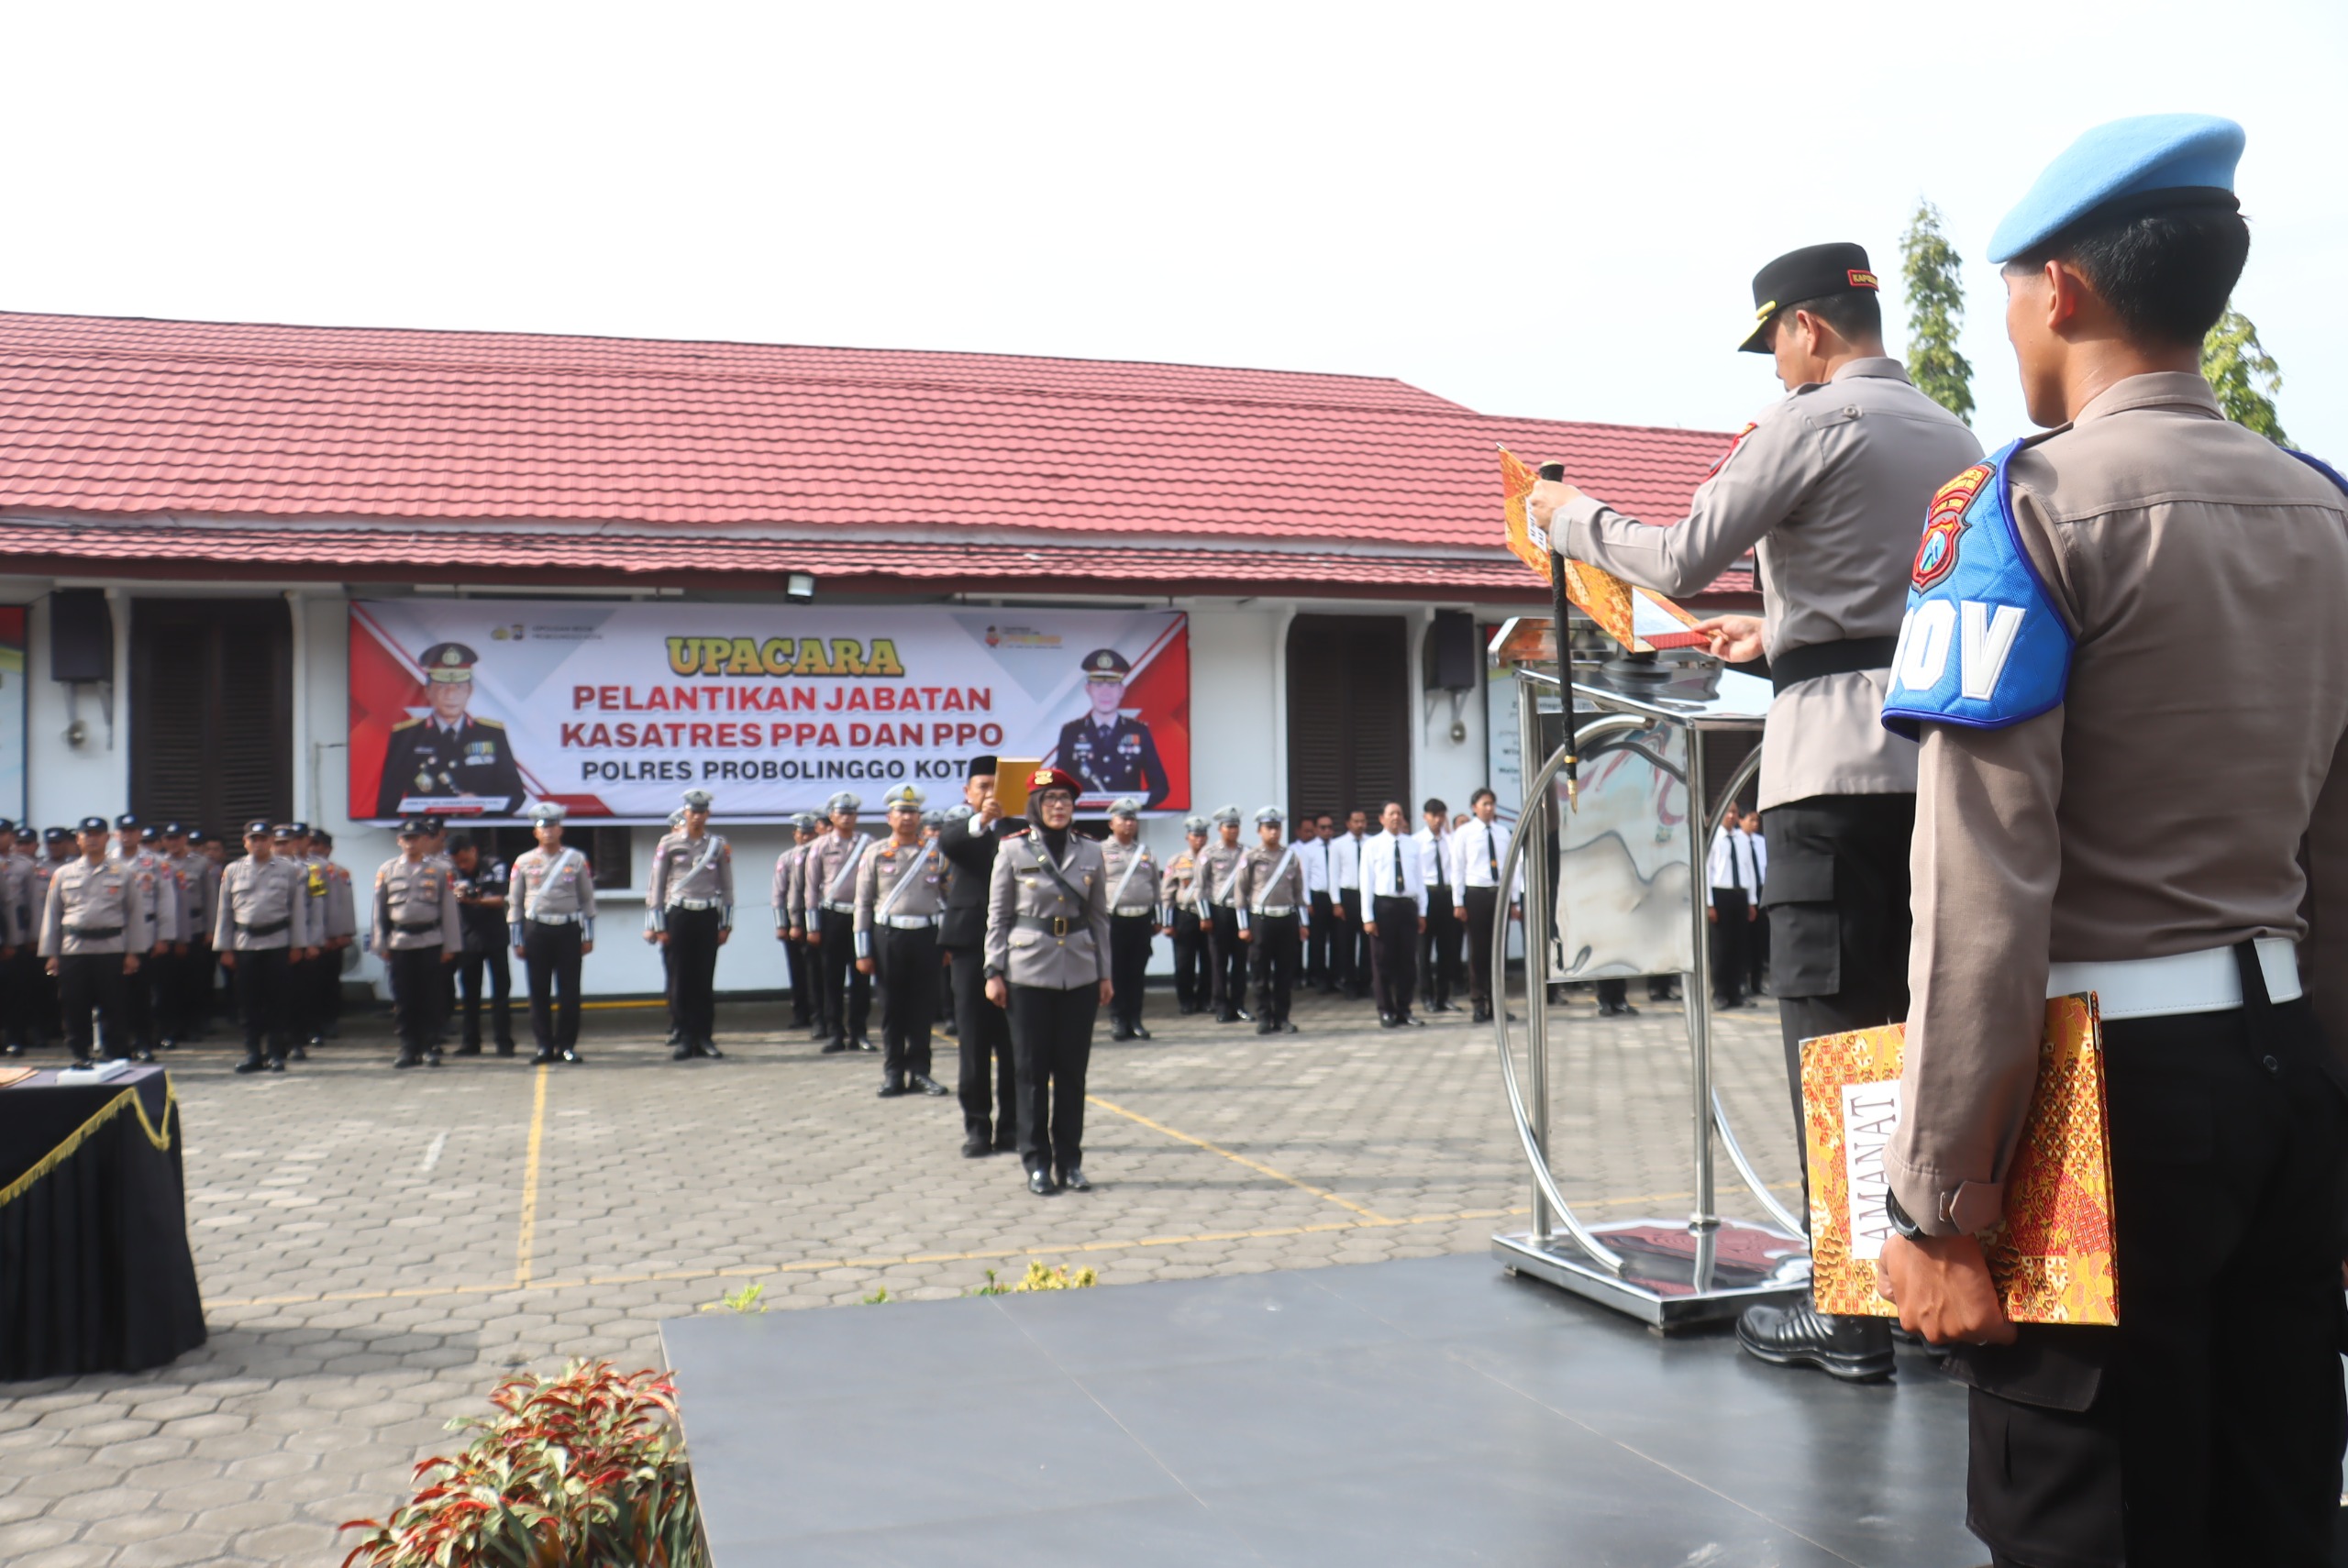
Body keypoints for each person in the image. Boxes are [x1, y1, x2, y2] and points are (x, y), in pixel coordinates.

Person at [1867, 114, 2348, 1563]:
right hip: (2286, 1083)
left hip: (2098, 1101)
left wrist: (1940, 1195)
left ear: (2060, 290)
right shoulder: (2325, 512)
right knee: (2274, 1503)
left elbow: (1981, 887)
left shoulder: (2016, 512)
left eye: (2014, 281)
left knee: (2089, 1509)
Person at [1533, 237, 1985, 1382]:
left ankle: (1849, 1313)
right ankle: (1932, 1278)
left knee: (1832, 1036)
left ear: (1808, 327)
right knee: (1928, 1033)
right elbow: (1887, 607)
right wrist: (1776, 636)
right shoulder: (1953, 435)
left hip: (1830, 773)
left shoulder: (1810, 419)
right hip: (1939, 768)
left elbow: (1680, 555)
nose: (1774, 366)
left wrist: (1567, 514)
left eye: (1774, 341)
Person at [984, 765, 1113, 1196]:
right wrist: (993, 970)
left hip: (1078, 970)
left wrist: (1105, 974)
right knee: (1031, 1072)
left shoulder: (1092, 851)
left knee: (1073, 1073)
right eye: (1050, 800)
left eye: (1066, 800)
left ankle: (1070, 1162)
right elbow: (998, 916)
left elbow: (1099, 919)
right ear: (1035, 806)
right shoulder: (1013, 850)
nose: (1059, 807)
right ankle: (1037, 1163)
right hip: (1026, 973)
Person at [939, 757, 1020, 1155]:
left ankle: (1011, 1127)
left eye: (996, 786)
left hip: (1017, 944)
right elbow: (951, 845)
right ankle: (976, 1127)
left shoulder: (1022, 830)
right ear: (968, 792)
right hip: (971, 945)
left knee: (1013, 1043)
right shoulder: (962, 828)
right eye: (982, 786)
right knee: (973, 1041)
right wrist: (982, 821)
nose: (989, 793)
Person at [854, 782, 951, 1099]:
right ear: (889, 817)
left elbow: (949, 898)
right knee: (893, 1008)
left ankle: (921, 1072)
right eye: (901, 812)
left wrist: (948, 942)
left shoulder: (935, 853)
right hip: (888, 936)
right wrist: (862, 949)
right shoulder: (875, 853)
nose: (907, 818)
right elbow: (863, 903)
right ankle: (893, 1072)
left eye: (912, 812)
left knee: (923, 1007)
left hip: (927, 935)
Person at [39, 817, 155, 1066]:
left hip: (110, 947)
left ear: (107, 838)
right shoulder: (63, 874)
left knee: (113, 1004)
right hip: (73, 948)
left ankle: (116, 1053)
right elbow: (52, 914)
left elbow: (135, 914)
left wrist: (133, 952)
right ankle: (80, 1052)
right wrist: (51, 953)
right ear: (78, 839)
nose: (92, 838)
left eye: (97, 834)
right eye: (86, 834)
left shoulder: (123, 873)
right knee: (74, 1004)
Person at [373, 641, 527, 818]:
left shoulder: (492, 734)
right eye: (442, 687)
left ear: (470, 691)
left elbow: (515, 795)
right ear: (428, 691)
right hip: (427, 833)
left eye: (459, 687)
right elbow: (388, 801)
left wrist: (481, 804)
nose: (451, 695)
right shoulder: (406, 736)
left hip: (482, 831)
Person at [215, 819, 315, 1074]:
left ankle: (276, 1053)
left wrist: (298, 944)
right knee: (248, 1003)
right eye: (253, 839)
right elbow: (224, 912)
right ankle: (252, 1053)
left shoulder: (288, 870)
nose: (258, 843)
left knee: (278, 1001)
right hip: (245, 943)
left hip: (278, 942)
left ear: (271, 841)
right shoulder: (233, 870)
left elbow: (297, 910)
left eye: (263, 839)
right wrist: (224, 948)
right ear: (245, 842)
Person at [648, 789, 733, 1061]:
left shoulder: (716, 845)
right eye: (692, 811)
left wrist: (726, 924)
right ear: (685, 813)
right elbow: (657, 886)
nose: (696, 816)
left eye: (701, 811)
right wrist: (658, 925)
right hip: (679, 915)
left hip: (707, 914)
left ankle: (704, 1037)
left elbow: (726, 885)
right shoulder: (669, 844)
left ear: (707, 814)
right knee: (681, 979)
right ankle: (684, 1037)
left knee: (704, 979)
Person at [372, 818, 462, 1069]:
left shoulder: (441, 870)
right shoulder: (387, 870)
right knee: (404, 999)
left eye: (417, 838)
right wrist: (381, 943)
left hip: (431, 941)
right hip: (400, 942)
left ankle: (432, 1046)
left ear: (425, 840)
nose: (411, 843)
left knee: (432, 997)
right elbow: (379, 910)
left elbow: (449, 910)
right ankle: (408, 1047)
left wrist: (450, 946)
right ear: (399, 841)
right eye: (406, 838)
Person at [508, 801, 593, 1065]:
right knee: (538, 991)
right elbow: (514, 902)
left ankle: (566, 1046)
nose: (548, 831)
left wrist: (588, 935)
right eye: (543, 827)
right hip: (537, 930)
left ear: (561, 829)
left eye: (553, 826)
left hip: (568, 929)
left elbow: (587, 899)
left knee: (569, 992)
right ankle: (544, 1046)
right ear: (535, 832)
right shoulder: (523, 861)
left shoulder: (576, 859)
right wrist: (517, 938)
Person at [1052, 648, 1170, 806]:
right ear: (1088, 689)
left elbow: (1160, 787)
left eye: (1112, 685)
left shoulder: (1138, 732)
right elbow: (1060, 783)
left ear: (1122, 690)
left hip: (1125, 820)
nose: (1105, 692)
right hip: (1082, 821)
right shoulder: (1071, 732)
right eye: (1098, 684)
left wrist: (1136, 805)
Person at [804, 790, 874, 1055]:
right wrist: (812, 925)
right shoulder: (820, 846)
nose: (846, 818)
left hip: (861, 915)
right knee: (831, 977)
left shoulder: (868, 844)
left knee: (861, 976)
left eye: (851, 813)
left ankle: (860, 1032)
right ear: (831, 816)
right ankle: (835, 1033)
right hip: (832, 916)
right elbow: (811, 888)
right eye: (841, 813)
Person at [108, 814, 177, 1062]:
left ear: (139, 834)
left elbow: (166, 900)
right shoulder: (105, 862)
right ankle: (118, 1046)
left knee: (142, 994)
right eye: (122, 830)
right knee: (113, 995)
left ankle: (143, 1043)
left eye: (132, 830)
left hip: (146, 934)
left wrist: (164, 936)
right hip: (112, 936)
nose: (127, 835)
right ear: (115, 835)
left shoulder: (156, 863)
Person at [1234, 805, 1308, 1034]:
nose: (1274, 832)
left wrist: (1304, 923)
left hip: (1286, 919)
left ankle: (1283, 1017)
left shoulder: (1290, 857)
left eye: (1277, 828)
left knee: (1285, 972)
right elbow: (1240, 892)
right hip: (1261, 920)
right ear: (1260, 831)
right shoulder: (1252, 857)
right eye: (1269, 828)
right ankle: (1264, 1017)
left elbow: (1298, 892)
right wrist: (1243, 926)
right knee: (1260, 971)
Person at [1451, 789, 1520, 1024]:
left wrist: (1513, 900)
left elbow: (1513, 867)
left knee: (1498, 953)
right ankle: (1479, 1003)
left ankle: (1498, 1005)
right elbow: (1457, 868)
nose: (1490, 808)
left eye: (1492, 804)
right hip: (1476, 895)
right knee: (1479, 953)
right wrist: (1458, 902)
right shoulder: (1464, 833)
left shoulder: (1503, 832)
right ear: (1474, 807)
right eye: (1485, 804)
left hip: (1498, 894)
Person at [1359, 801, 1427, 1028]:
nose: (1396, 817)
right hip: (1383, 906)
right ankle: (1386, 1010)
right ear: (1382, 818)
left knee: (1407, 962)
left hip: (1407, 906)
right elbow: (1366, 882)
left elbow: (1420, 879)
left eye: (1399, 813)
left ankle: (1404, 1009)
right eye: (1391, 814)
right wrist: (1367, 917)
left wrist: (1422, 911)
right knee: (1383, 961)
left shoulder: (1412, 845)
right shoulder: (1372, 845)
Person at [1098, 797, 1158, 1042]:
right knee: (1116, 972)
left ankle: (1136, 1019)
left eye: (1132, 819)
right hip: (1114, 920)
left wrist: (1158, 919)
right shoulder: (1100, 851)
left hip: (1141, 919)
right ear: (1112, 823)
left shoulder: (1145, 853)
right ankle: (1118, 1019)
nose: (1129, 823)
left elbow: (1156, 886)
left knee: (1137, 972)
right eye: (1124, 818)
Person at [450, 836, 515, 1055]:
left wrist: (475, 900)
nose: (462, 865)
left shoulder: (494, 865)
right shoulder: (450, 870)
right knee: (470, 996)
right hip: (467, 939)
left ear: (474, 850)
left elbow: (498, 899)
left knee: (501, 994)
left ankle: (504, 1042)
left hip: (495, 937)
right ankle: (470, 1043)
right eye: (458, 862)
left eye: (465, 860)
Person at [1196, 806, 1248, 1022]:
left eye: (1236, 826)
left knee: (1240, 961)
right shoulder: (1208, 853)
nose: (1233, 830)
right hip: (1218, 912)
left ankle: (1238, 1005)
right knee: (1218, 962)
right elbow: (1201, 887)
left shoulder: (1248, 852)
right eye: (1229, 826)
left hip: (1241, 913)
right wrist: (1204, 916)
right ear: (1220, 828)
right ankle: (1220, 1006)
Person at [1705, 813, 1762, 1010]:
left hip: (1740, 894)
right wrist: (1709, 903)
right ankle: (1720, 993)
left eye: (1735, 812)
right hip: (1720, 894)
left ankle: (1736, 992)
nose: (1730, 815)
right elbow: (1707, 871)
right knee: (1721, 947)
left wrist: (1752, 901)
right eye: (1727, 811)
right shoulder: (1713, 838)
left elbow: (1749, 871)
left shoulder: (1742, 840)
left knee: (1740, 947)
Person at [773, 812, 820, 1033]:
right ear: (795, 834)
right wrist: (782, 924)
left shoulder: (822, 855)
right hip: (796, 916)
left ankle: (819, 1014)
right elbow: (779, 894)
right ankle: (801, 1014)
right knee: (797, 969)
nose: (807, 837)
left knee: (818, 970)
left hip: (819, 918)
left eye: (811, 832)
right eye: (803, 833)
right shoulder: (787, 858)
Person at [1158, 816, 1211, 1015]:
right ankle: (1186, 1000)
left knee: (1209, 960)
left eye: (1203, 835)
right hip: (1185, 915)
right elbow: (1167, 893)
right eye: (1195, 835)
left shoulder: (1212, 858)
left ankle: (1205, 999)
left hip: (1208, 916)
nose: (1199, 839)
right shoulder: (1177, 860)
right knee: (1184, 961)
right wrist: (1167, 922)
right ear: (1187, 837)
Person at [1414, 799, 1460, 1013]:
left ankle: (1444, 996)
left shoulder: (1451, 840)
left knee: (1447, 951)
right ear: (1425, 817)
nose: (1438, 820)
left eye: (1441, 815)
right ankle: (1427, 997)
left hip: (1447, 896)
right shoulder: (1416, 842)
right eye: (1433, 815)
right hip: (1427, 895)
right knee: (1423, 952)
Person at [1328, 810, 1369, 999]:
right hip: (1348, 895)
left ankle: (1365, 983)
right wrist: (1336, 902)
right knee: (1346, 942)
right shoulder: (1337, 845)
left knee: (1368, 941)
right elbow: (1333, 875)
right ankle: (1349, 983)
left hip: (1366, 894)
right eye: (1356, 821)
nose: (1359, 825)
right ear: (1348, 823)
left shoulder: (1371, 842)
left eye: (1362, 821)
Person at [0, 820, 32, 1056]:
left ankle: (15, 1038)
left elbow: (10, 906)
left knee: (12, 992)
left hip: (9, 937)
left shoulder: (24, 865)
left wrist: (11, 940)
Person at [1298, 813, 1335, 990]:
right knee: (1317, 940)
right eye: (1323, 827)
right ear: (1317, 829)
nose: (1327, 831)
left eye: (1329, 827)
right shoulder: (1308, 849)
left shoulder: (1337, 846)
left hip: (1334, 897)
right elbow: (1304, 877)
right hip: (1317, 897)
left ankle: (1335, 977)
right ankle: (1317, 976)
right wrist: (1307, 902)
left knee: (1336, 939)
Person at [1741, 810, 1770, 997]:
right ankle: (1743, 983)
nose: (1755, 824)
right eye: (1751, 820)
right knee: (1744, 942)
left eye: (1756, 820)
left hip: (1761, 889)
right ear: (1741, 821)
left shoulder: (1761, 842)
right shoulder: (1739, 840)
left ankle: (1757, 983)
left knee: (1760, 941)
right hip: (1743, 891)